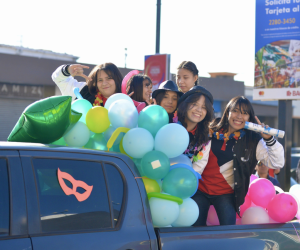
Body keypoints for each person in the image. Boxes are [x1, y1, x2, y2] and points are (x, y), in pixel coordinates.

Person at [191, 96, 284, 226]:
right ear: (228, 112)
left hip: (225, 194)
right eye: (235, 111)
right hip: (200, 189)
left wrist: (269, 139)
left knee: (229, 233)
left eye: (245, 113)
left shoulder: (254, 141)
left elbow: (277, 163)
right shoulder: (212, 130)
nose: (239, 116)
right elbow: (195, 160)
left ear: (249, 118)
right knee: (194, 231)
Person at [177, 86, 214, 167]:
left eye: (204, 107)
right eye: (194, 104)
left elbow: (198, 166)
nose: (199, 110)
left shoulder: (205, 137)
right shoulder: (171, 125)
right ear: (185, 104)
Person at [52, 63, 123, 106]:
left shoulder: (127, 98)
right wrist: (67, 69)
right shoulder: (84, 91)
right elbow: (59, 79)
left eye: (109, 78)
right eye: (100, 80)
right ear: (95, 83)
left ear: (117, 79)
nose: (104, 83)